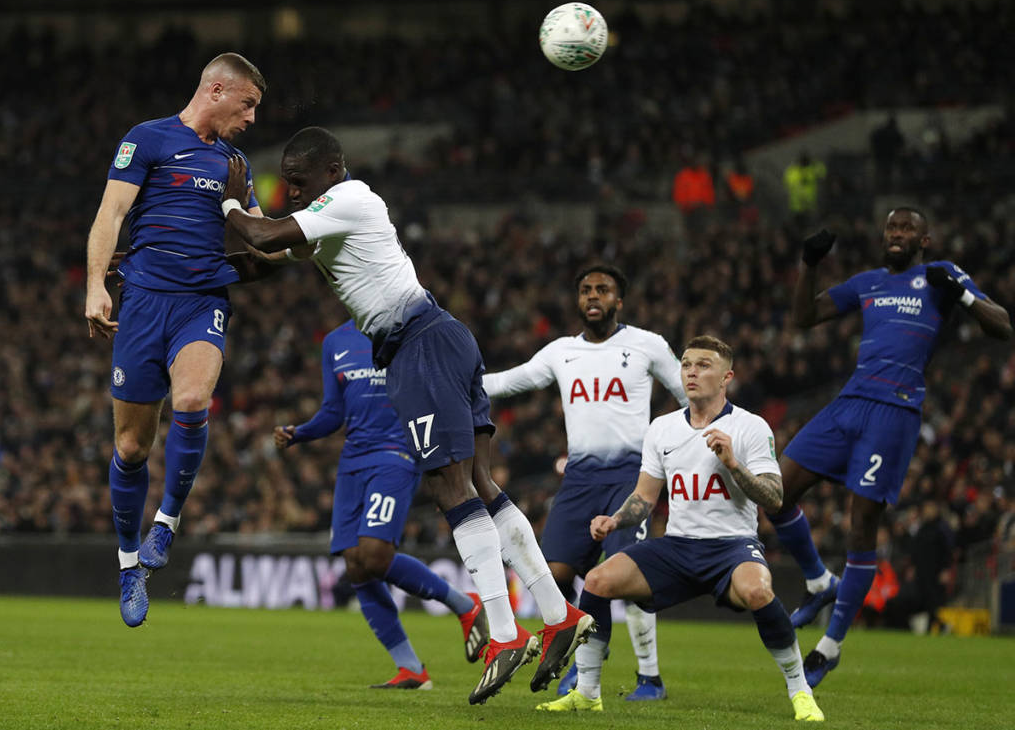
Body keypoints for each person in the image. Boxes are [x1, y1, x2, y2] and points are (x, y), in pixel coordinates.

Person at [219, 126, 595, 705]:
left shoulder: (349, 198)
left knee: (450, 488)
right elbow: (259, 261)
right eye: (285, 183)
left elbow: (264, 234)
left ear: (331, 171)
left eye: (298, 181)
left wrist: (230, 201)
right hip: (441, 338)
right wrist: (172, 266)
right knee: (481, 483)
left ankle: (503, 633)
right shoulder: (327, 217)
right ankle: (558, 614)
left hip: (418, 345)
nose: (289, 191)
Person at [765, 208, 1012, 687]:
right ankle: (818, 581)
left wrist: (961, 293)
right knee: (775, 492)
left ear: (924, 239)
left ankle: (829, 647)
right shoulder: (869, 282)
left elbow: (1002, 325)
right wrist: (809, 265)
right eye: (891, 228)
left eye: (906, 229)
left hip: (894, 412)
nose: (896, 234)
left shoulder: (940, 277)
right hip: (849, 403)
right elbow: (804, 316)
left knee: (862, 526)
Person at [535, 336, 824, 721]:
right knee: (598, 581)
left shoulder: (750, 426)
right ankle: (587, 692)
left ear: (727, 378)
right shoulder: (663, 428)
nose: (691, 372)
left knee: (758, 590)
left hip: (731, 547)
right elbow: (644, 497)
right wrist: (615, 519)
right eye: (686, 364)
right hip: (678, 547)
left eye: (703, 365)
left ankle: (800, 690)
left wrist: (734, 464)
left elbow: (774, 497)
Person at [84, 53, 267, 628]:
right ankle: (128, 565)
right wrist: (95, 285)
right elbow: (111, 213)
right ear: (216, 90)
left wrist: (305, 231)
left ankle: (166, 523)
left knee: (191, 401)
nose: (252, 119)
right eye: (248, 104)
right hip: (142, 302)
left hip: (202, 301)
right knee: (131, 448)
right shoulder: (148, 139)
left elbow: (263, 239)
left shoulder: (236, 163)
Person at [482, 265, 688, 701]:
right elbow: (508, 381)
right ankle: (590, 645)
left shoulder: (647, 344)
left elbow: (689, 395)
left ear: (619, 301)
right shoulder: (561, 351)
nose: (593, 296)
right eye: (585, 290)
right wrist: (453, 386)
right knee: (554, 574)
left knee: (626, 574)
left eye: (603, 290)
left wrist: (675, 446)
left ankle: (649, 677)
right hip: (578, 479)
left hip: (631, 477)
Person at [274, 319, 490, 688]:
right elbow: (333, 412)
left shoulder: (407, 331)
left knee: (374, 554)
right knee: (356, 565)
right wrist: (300, 433)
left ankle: (464, 604)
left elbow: (437, 395)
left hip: (397, 454)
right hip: (353, 460)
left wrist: (446, 464)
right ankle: (411, 669)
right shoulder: (335, 341)